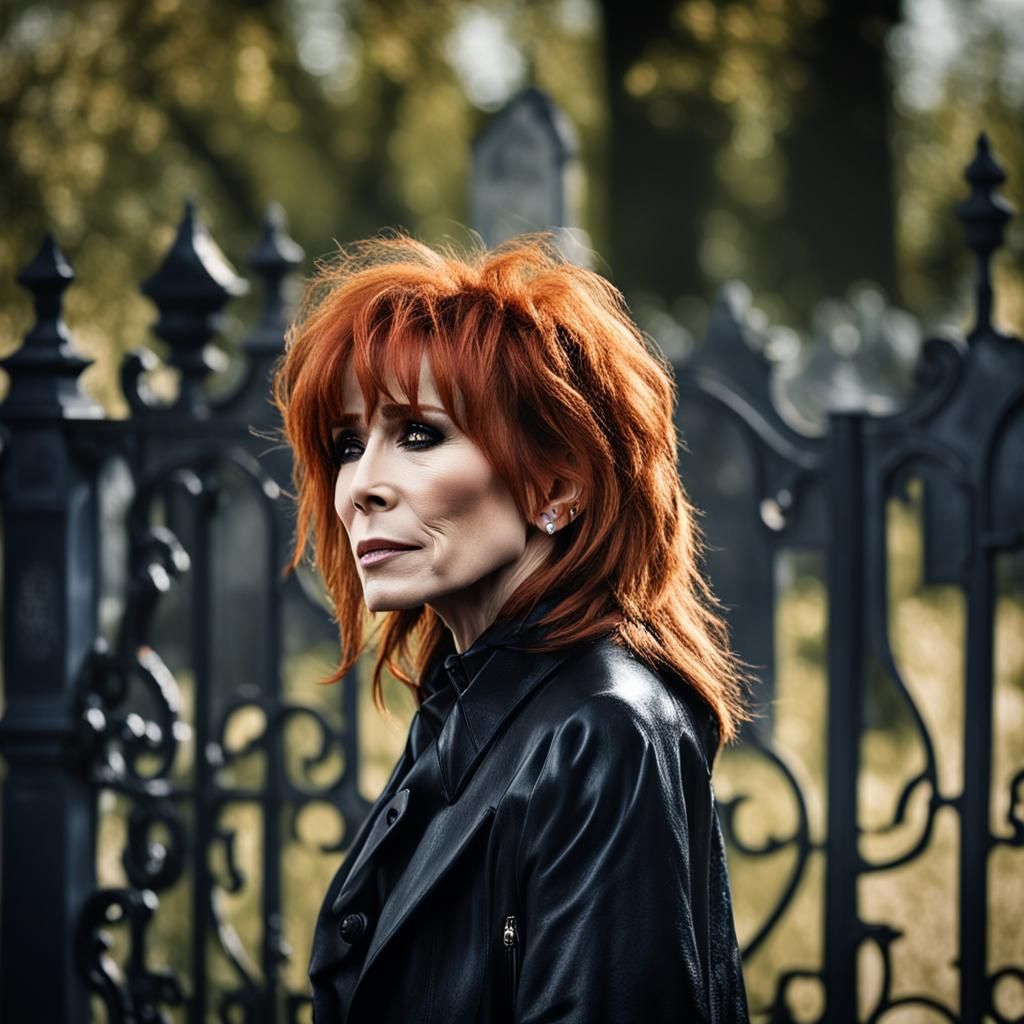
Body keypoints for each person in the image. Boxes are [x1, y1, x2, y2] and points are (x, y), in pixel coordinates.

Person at [273, 233, 753, 1023]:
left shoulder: (604, 728)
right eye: (349, 444)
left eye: (419, 435)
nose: (360, 486)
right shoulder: (466, 709)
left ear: (557, 485)